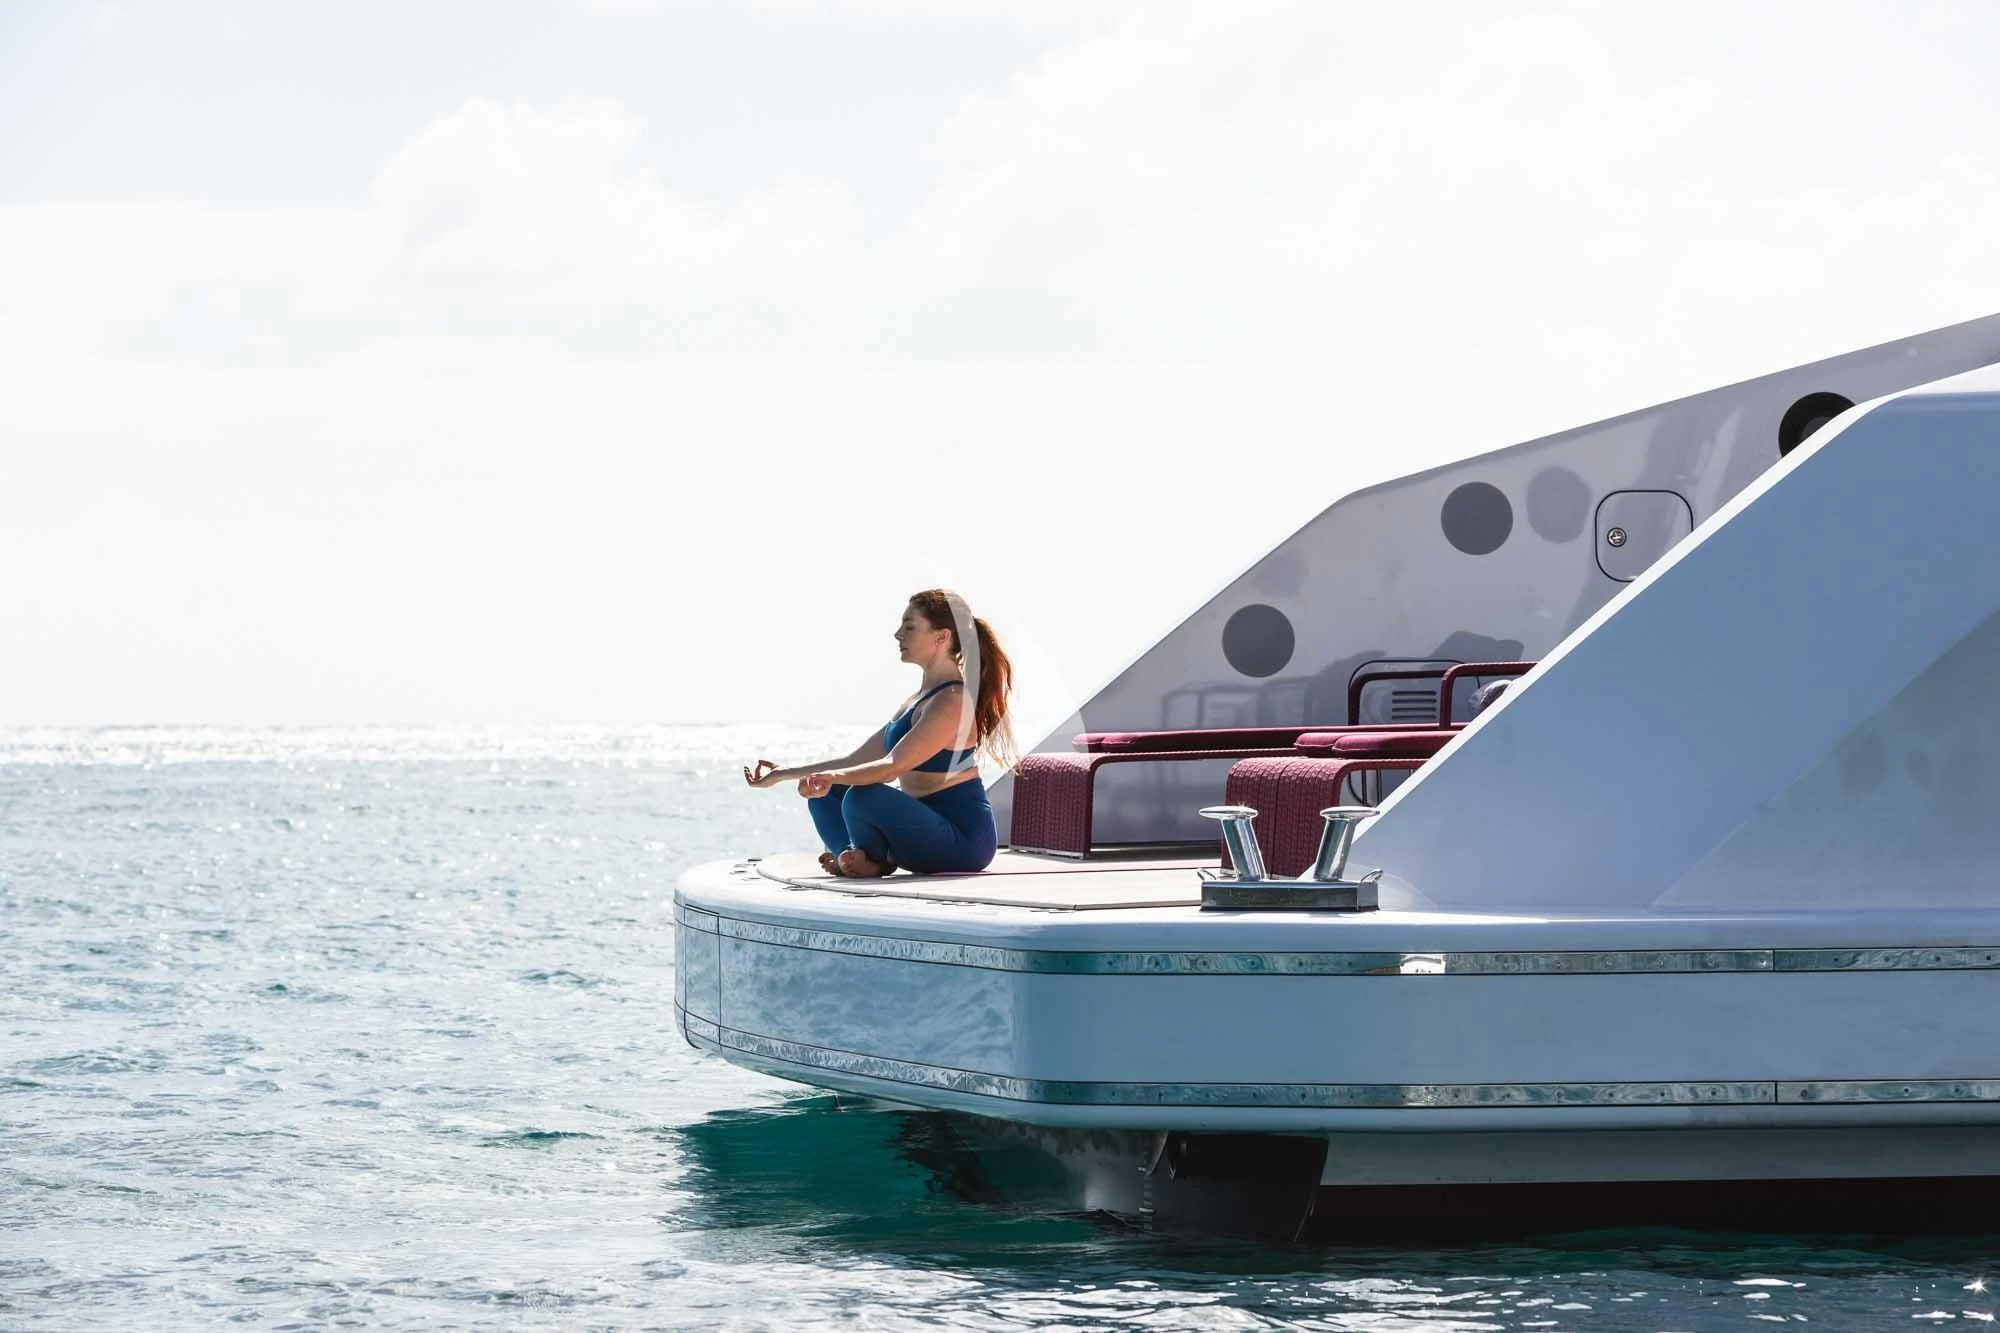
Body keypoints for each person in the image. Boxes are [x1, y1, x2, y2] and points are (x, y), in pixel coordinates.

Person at [741, 589, 1015, 877]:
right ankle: (852, 856)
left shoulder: (953, 700)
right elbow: (855, 760)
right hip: (921, 828)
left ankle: (875, 859)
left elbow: (891, 768)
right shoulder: (919, 699)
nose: (898, 635)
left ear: (942, 637)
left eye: (909, 627)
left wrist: (825, 778)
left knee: (862, 797)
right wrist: (787, 773)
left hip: (961, 841)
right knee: (828, 794)